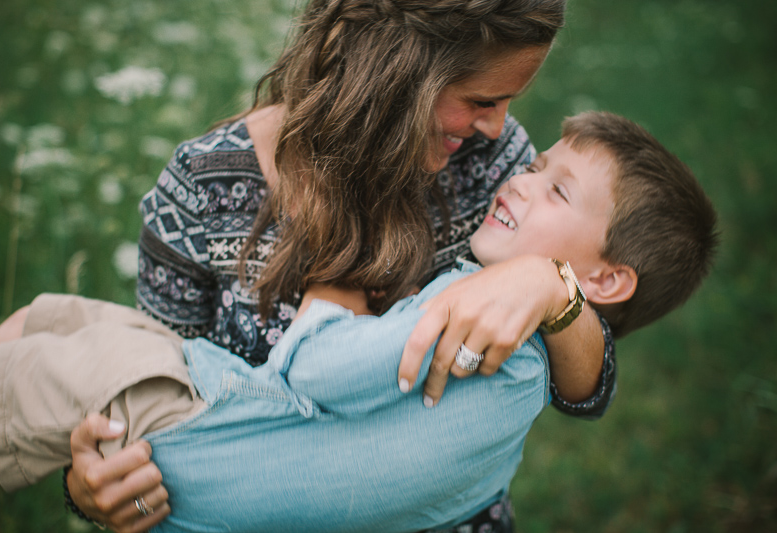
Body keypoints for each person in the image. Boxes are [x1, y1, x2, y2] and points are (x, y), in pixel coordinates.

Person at [0, 112, 718, 532]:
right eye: (541, 170)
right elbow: (155, 358)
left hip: (206, 435)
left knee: (19, 354)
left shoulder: (485, 283)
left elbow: (319, 369)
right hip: (202, 430)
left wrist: (338, 294)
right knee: (47, 324)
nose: (516, 169)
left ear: (602, 278)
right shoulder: (208, 182)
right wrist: (87, 489)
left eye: (552, 184)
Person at [62, 1, 614, 531]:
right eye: (482, 100)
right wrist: (90, 486)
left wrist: (553, 288)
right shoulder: (204, 186)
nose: (496, 127)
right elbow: (141, 376)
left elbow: (585, 391)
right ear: (397, 68)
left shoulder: (494, 169)